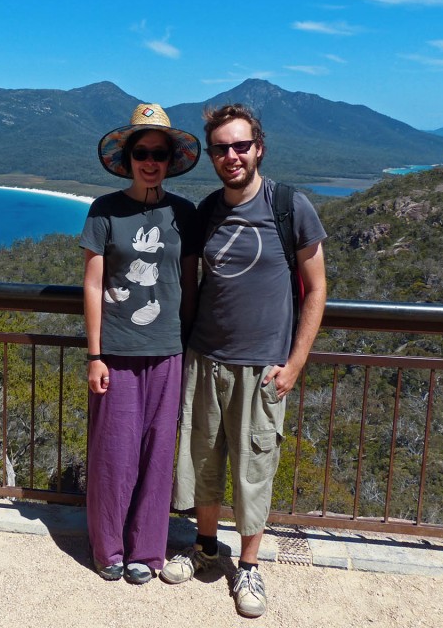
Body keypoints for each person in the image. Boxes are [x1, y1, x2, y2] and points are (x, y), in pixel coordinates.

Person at [161, 103, 327, 618]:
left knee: (254, 469)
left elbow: (318, 288)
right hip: (206, 359)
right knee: (203, 461)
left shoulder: (289, 206)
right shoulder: (207, 211)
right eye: (221, 148)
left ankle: (249, 566)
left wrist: (295, 364)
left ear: (259, 149)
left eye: (240, 146)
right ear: (211, 155)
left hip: (263, 367)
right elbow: (190, 285)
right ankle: (206, 548)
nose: (231, 155)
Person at [79, 103, 201, 585]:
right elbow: (93, 285)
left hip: (169, 350)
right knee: (114, 452)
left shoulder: (184, 213)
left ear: (170, 160)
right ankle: (108, 546)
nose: (150, 162)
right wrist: (95, 354)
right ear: (127, 159)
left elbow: (189, 284)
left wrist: (188, 345)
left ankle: (148, 551)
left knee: (158, 453)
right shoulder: (104, 210)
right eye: (142, 153)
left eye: (159, 154)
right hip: (117, 351)